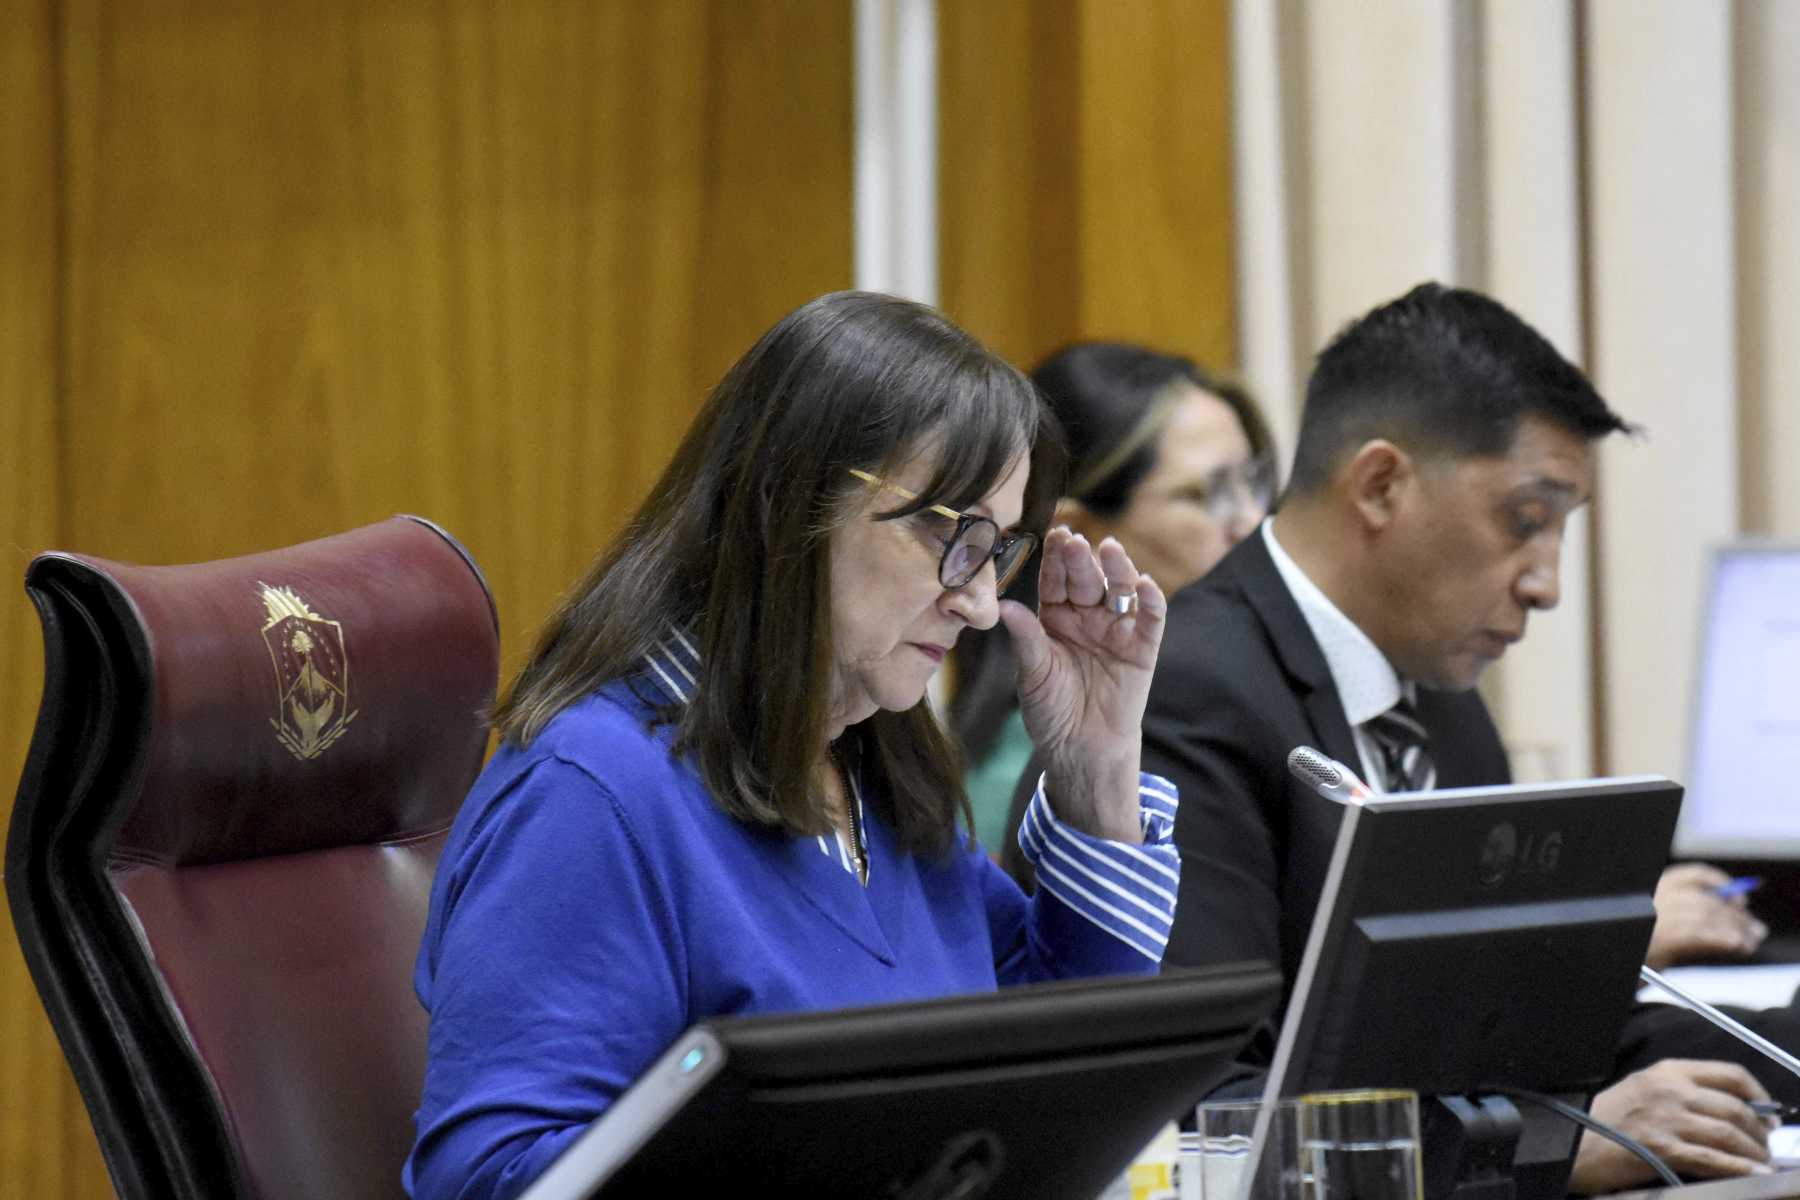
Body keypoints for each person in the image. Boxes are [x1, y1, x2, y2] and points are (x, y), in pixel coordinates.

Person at [405, 291, 1183, 1200]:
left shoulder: (879, 770)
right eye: (948, 533)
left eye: (998, 549)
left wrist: (1097, 770)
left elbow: (1060, 1076)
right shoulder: (590, 795)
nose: (976, 601)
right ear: (787, 502)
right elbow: (487, 1179)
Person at [1145, 283, 1784, 1193]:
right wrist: (1556, 1149)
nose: (1547, 584)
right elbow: (1206, 1113)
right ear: (1381, 484)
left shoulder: (1435, 694)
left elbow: (1540, 1040)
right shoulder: (1188, 696)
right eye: (1527, 521)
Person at [949, 342, 1275, 856]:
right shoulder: (1026, 777)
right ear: (1075, 536)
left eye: (1254, 484)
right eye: (1204, 495)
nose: (1253, 523)